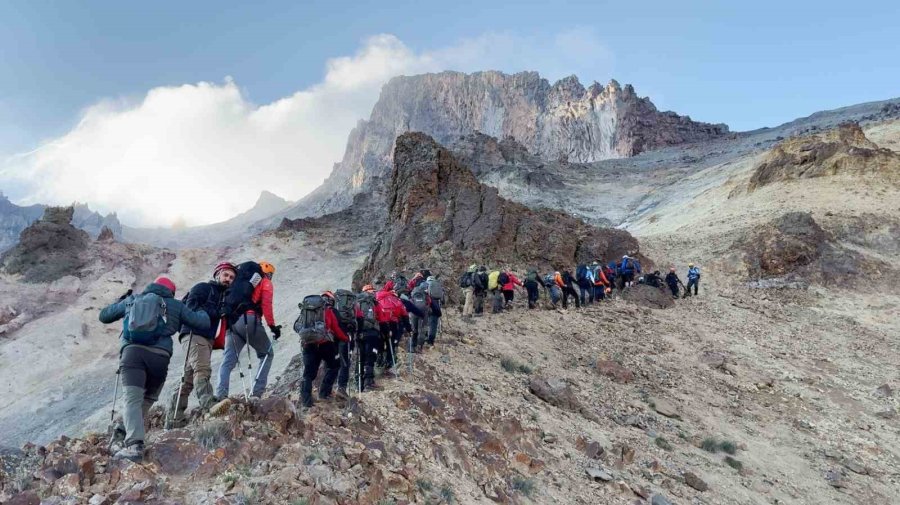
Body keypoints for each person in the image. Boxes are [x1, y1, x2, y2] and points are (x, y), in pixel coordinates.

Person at [99, 277, 210, 462]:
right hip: (160, 358)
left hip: (133, 354)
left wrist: (120, 302)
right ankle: (124, 429)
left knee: (132, 399)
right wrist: (202, 311)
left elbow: (104, 316)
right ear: (171, 292)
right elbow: (202, 323)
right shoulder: (175, 305)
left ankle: (134, 445)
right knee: (148, 398)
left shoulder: (133, 299)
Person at [168, 262, 235, 428]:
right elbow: (190, 306)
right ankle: (209, 404)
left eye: (232, 277)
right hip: (194, 333)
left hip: (203, 336)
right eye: (226, 275)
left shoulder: (223, 297)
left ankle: (173, 419)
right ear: (217, 274)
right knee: (202, 369)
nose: (228, 279)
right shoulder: (203, 288)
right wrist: (216, 313)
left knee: (188, 379)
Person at [216, 261, 280, 400]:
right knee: (267, 354)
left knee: (228, 361)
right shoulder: (265, 282)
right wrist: (273, 326)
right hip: (248, 319)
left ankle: (220, 396)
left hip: (231, 323)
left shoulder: (239, 282)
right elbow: (266, 305)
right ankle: (256, 393)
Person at [299, 291, 350, 408]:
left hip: (308, 344)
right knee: (334, 365)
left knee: (308, 374)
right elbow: (336, 328)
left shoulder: (306, 310)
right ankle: (324, 393)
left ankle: (306, 401)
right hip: (325, 344)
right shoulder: (329, 310)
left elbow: (297, 325)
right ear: (331, 300)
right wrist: (346, 338)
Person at [358, 285, 384, 391]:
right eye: (373, 291)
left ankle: (359, 384)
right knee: (370, 357)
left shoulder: (356, 302)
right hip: (372, 334)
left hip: (359, 334)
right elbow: (381, 318)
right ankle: (369, 383)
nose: (374, 293)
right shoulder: (373, 302)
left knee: (361, 358)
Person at [425, 276, 444, 345]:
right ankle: (431, 340)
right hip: (436, 307)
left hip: (427, 306)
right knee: (434, 324)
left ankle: (425, 337)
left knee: (425, 323)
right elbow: (442, 299)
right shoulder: (438, 286)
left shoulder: (425, 285)